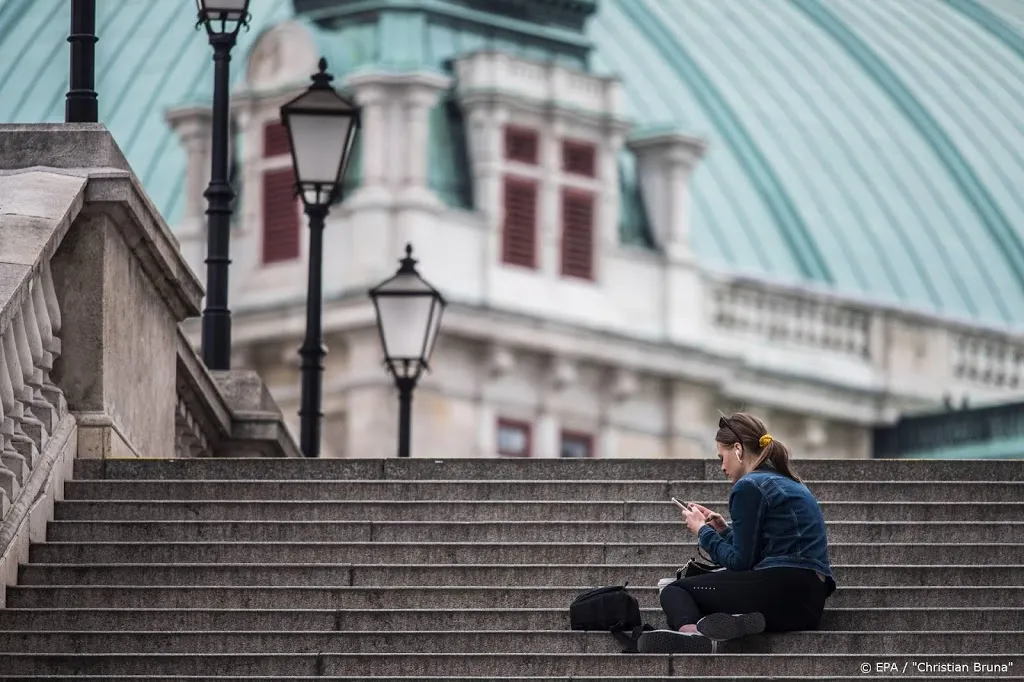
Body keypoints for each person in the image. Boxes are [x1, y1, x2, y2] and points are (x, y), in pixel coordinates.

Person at [637, 412, 837, 654]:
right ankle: (736, 623)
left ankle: (693, 636)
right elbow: (762, 552)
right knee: (720, 589)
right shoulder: (790, 483)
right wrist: (723, 531)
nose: (721, 467)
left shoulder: (748, 486)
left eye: (722, 456)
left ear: (738, 450)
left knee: (674, 590)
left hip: (779, 589)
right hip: (807, 606)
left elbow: (740, 563)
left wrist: (702, 531)